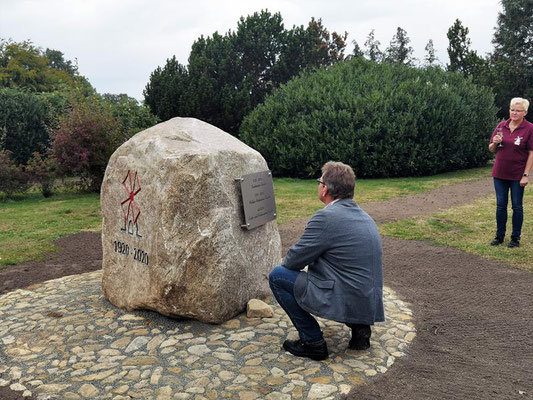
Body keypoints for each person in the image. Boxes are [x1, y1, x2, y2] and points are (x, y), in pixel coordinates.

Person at [269, 161, 384, 361]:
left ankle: (312, 342)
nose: (318, 185)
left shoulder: (326, 218)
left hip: (345, 295)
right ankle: (360, 331)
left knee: (278, 276)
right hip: (366, 301)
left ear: (325, 189)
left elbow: (292, 262)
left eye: (319, 181)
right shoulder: (364, 217)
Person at [489, 97, 533, 248]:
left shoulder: (529, 128)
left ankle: (515, 238)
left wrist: (526, 175)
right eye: (512, 109)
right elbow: (491, 149)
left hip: (517, 175)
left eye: (518, 110)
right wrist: (494, 142)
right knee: (501, 206)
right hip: (499, 173)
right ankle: (499, 236)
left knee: (517, 206)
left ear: (525, 112)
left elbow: (531, 153)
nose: (514, 113)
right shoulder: (502, 126)